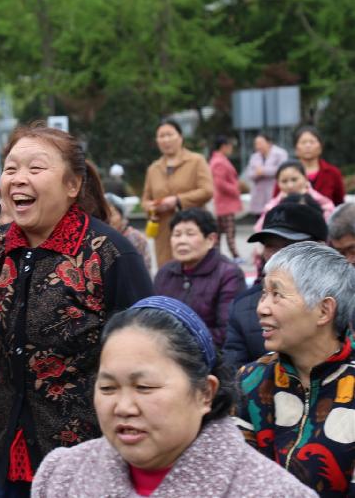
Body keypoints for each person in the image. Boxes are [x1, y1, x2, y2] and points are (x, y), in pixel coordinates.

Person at [0, 123, 153, 497]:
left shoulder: (109, 253)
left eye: (35, 168)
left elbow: (148, 350)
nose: (18, 180)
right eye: (11, 169)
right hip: (8, 441)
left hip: (89, 450)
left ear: (72, 185)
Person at [31, 296, 315, 498]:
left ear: (205, 393)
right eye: (108, 388)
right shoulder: (62, 475)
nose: (124, 407)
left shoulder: (271, 491)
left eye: (144, 387)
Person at [235, 243, 355, 496]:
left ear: (324, 310)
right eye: (263, 294)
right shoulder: (251, 380)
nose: (262, 308)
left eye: (277, 295)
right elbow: (235, 477)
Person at [222, 202, 328, 371]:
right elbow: (231, 375)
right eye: (270, 246)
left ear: (321, 248)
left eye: (288, 245)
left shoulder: (345, 300)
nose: (276, 256)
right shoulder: (243, 307)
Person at [154, 209, 246, 347]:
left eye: (190, 234)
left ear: (210, 239)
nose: (181, 241)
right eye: (176, 235)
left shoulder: (228, 274)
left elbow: (227, 331)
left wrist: (175, 340)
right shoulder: (165, 272)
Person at [142, 119, 213, 267]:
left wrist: (177, 201)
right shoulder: (153, 168)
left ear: (180, 137)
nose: (166, 140)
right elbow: (145, 201)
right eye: (161, 136)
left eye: (170, 134)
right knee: (167, 272)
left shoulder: (196, 161)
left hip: (193, 228)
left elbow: (207, 191)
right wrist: (154, 206)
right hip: (163, 232)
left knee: (197, 268)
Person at [255, 160, 334, 232]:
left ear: (305, 178)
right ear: (278, 183)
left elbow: (330, 225)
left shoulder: (322, 202)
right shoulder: (272, 205)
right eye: (284, 181)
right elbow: (259, 229)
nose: (290, 185)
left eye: (294, 179)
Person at [209, 135, 243, 262]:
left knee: (219, 232)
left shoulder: (217, 159)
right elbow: (220, 183)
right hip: (225, 202)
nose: (231, 149)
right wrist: (235, 189)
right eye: (230, 146)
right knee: (229, 231)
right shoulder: (219, 162)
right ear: (224, 146)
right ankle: (235, 255)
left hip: (222, 202)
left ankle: (216, 256)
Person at [291, 125, 345, 205]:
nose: (308, 146)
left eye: (312, 142)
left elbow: (339, 205)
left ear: (320, 147)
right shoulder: (287, 173)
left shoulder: (333, 173)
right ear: (296, 148)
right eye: (303, 142)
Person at [105, 193, 151, 272]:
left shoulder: (135, 237)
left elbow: (145, 268)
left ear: (122, 215)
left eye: (112, 214)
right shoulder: (100, 238)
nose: (108, 220)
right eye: (105, 215)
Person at [246, 133, 288, 216]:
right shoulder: (254, 156)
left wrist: (264, 171)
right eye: (256, 144)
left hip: (274, 190)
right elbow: (249, 173)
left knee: (275, 214)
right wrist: (257, 173)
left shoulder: (280, 153)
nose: (258, 146)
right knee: (259, 219)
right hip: (259, 194)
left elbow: (283, 169)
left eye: (260, 143)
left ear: (269, 143)